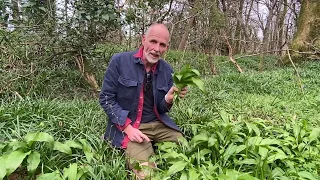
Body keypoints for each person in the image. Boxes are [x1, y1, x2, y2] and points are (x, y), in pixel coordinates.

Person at [99, 23, 188, 179]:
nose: (157, 49)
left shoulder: (167, 70)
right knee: (147, 174)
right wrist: (127, 128)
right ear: (143, 39)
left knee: (188, 149)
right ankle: (122, 144)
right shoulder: (120, 61)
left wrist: (168, 98)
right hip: (133, 126)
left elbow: (162, 109)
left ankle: (154, 146)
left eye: (162, 45)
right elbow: (106, 98)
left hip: (159, 124)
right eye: (153, 41)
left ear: (166, 47)